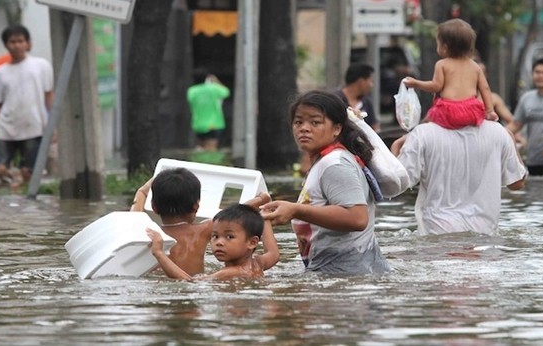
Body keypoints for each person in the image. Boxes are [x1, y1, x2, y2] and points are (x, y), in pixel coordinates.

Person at [260, 90, 390, 275]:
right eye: (298, 122)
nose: (304, 128)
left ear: (336, 129)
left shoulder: (335, 165)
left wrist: (296, 210)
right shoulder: (324, 162)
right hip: (341, 271)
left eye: (315, 122)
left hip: (350, 275)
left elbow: (357, 218)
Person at [390, 120, 527, 236]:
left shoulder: (422, 133)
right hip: (484, 237)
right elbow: (517, 182)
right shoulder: (499, 132)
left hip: (437, 234)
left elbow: (395, 184)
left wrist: (396, 147)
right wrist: (509, 137)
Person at [131, 168, 272, 276]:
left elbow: (136, 207)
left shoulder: (149, 234)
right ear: (196, 206)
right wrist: (261, 199)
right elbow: (232, 214)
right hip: (195, 285)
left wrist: (144, 190)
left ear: (154, 207)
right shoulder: (203, 229)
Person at [403, 18, 499, 129]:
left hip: (449, 112)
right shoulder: (475, 66)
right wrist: (489, 111)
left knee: (428, 119)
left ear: (444, 47)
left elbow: (436, 86)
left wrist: (416, 83)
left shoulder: (442, 64)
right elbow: (485, 89)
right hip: (471, 111)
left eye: (438, 43)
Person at [146, 203, 280, 280]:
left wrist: (159, 253)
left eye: (229, 237)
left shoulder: (229, 273)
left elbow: (188, 282)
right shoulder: (258, 264)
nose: (219, 242)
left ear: (252, 242)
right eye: (215, 236)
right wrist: (265, 217)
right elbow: (273, 254)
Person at [0, 25, 54, 185]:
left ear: (28, 43)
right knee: (0, 169)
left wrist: (52, 125)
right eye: (12, 42)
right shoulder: (0, 72)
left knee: (28, 173)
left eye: (20, 41)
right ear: (6, 45)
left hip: (33, 126)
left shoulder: (41, 66)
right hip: (6, 128)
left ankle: (23, 192)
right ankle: (9, 186)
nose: (17, 45)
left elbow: (49, 96)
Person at [186, 68, 230, 151]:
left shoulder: (191, 91)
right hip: (214, 124)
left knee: (201, 148)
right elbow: (226, 92)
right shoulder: (214, 89)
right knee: (211, 149)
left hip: (198, 124)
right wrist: (216, 81)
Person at [334, 63, 381, 132]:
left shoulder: (367, 102)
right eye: (371, 81)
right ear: (361, 82)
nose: (372, 85)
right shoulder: (335, 100)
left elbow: (375, 126)